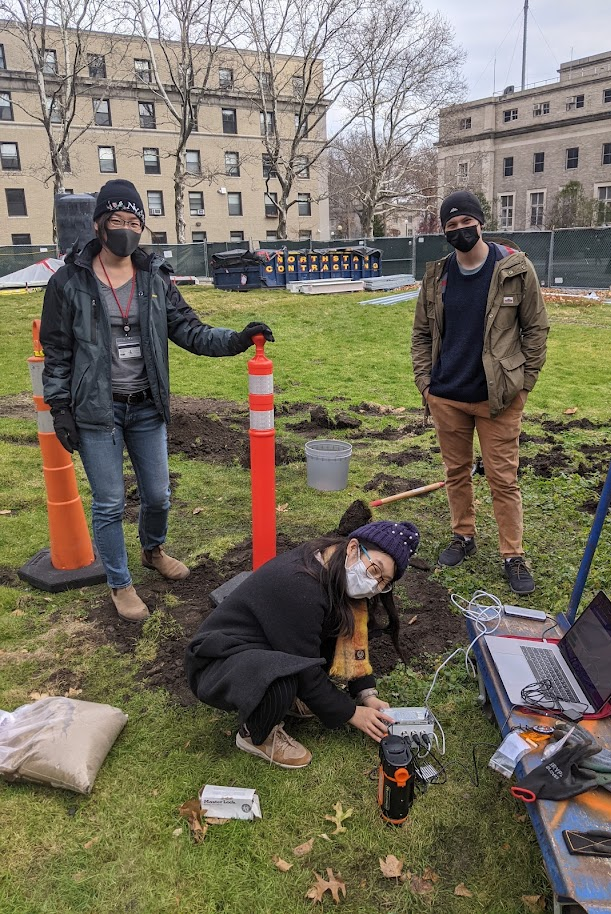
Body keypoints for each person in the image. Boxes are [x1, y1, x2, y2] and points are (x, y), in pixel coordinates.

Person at [40, 179, 274, 622]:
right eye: (117, 220)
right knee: (109, 502)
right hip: (97, 411)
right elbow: (57, 353)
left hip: (146, 406)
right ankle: (120, 582)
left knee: (158, 495)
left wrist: (238, 339)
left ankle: (153, 550)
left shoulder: (155, 278)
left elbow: (190, 329)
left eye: (134, 221)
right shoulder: (68, 282)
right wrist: (60, 409)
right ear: (98, 225)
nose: (126, 228)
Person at [185, 520, 420, 769]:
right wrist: (351, 713)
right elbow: (305, 667)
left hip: (261, 649)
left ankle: (284, 700)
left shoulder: (333, 565)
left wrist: (366, 694)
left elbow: (351, 637)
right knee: (285, 677)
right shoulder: (299, 585)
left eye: (384, 582)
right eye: (375, 570)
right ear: (353, 547)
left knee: (329, 635)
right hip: (216, 662)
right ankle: (256, 736)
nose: (374, 585)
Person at [411, 190, 549, 594]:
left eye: (465, 222)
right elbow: (421, 333)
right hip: (447, 394)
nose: (459, 230)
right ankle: (464, 536)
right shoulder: (437, 275)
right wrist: (426, 383)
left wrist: (524, 384)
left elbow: (536, 329)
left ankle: (513, 555)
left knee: (503, 479)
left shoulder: (514, 269)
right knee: (456, 472)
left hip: (498, 398)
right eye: (451, 225)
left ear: (480, 223)